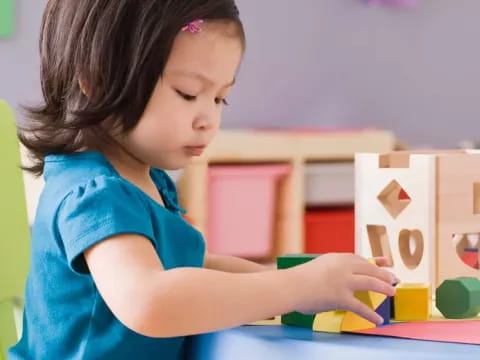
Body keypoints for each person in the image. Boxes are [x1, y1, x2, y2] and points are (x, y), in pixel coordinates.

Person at [9, 0, 397, 359]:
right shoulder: (94, 193)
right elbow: (149, 300)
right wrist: (294, 287)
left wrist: (292, 280)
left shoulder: (147, 180)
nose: (209, 120)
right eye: (188, 93)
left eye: (219, 99)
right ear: (95, 81)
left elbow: (191, 265)